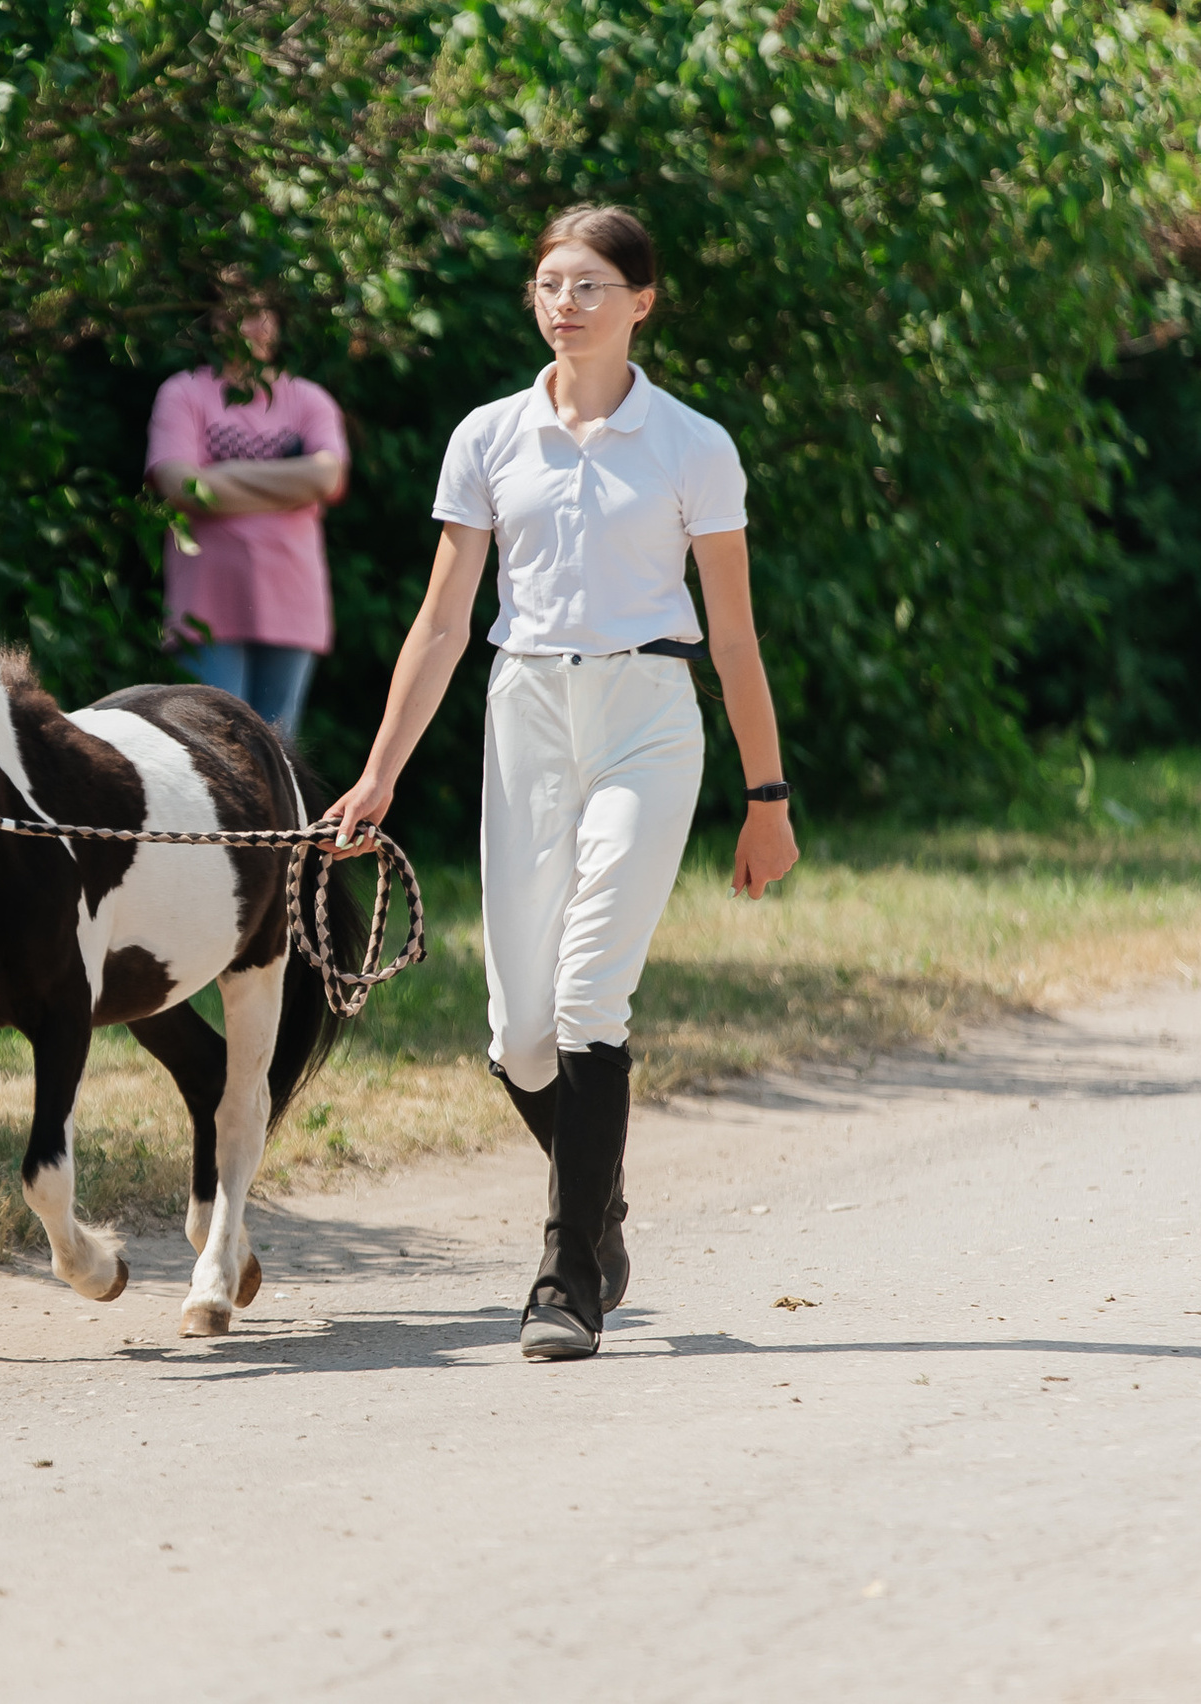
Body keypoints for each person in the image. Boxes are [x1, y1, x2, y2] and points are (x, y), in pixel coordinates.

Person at [323, 205, 800, 1362]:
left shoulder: (694, 445)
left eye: (590, 285)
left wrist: (767, 796)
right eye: (549, 283)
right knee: (520, 1039)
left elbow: (733, 639)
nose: (564, 303)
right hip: (524, 713)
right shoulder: (488, 436)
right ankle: (600, 1195)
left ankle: (566, 1277)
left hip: (647, 717)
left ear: (642, 300)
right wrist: (380, 772)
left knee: (588, 1000)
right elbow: (442, 625)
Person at [145, 297, 348, 736]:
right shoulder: (184, 392)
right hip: (205, 602)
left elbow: (327, 478)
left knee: (278, 752)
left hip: (292, 600)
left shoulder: (308, 399)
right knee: (210, 747)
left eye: (260, 313)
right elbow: (180, 486)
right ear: (214, 322)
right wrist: (287, 484)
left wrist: (226, 476)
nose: (249, 327)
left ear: (277, 322)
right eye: (234, 315)